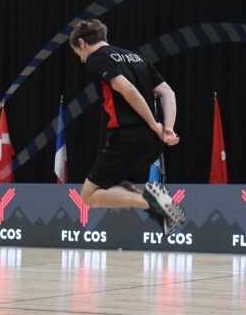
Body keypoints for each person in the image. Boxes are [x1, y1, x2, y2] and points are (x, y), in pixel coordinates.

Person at [69, 18, 186, 235]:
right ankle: (157, 205)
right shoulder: (136, 56)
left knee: (88, 196)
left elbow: (129, 90)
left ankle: (154, 203)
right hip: (153, 142)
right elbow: (167, 92)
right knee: (119, 185)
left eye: (78, 54)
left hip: (129, 137)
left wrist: (153, 124)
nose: (82, 60)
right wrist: (167, 128)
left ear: (82, 43)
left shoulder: (97, 58)